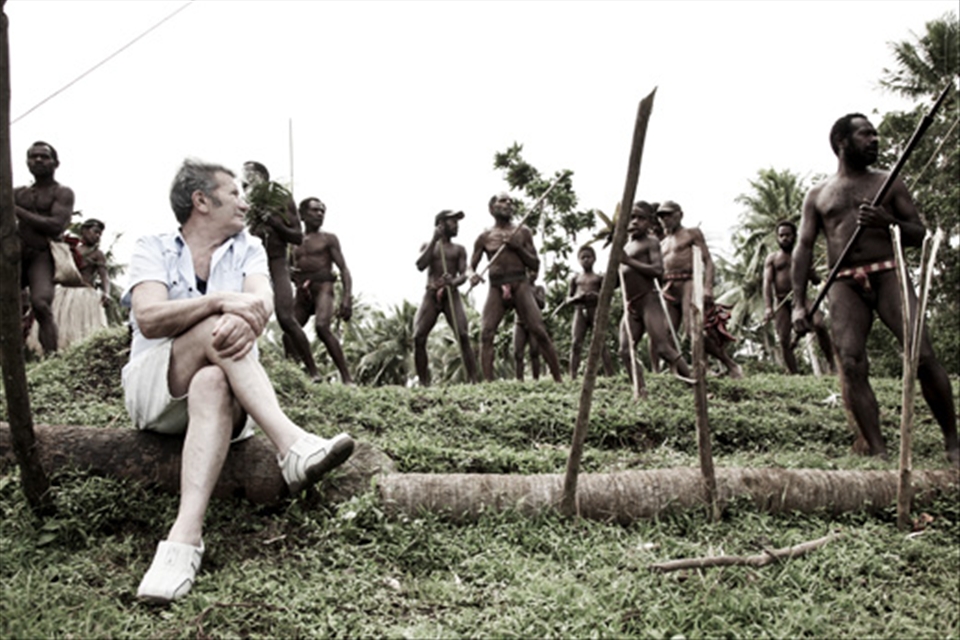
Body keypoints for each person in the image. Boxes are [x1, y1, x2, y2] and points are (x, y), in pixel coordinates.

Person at [122, 160, 354, 604]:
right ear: (202, 201)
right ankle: (291, 444)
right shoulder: (152, 247)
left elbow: (262, 302)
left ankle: (183, 539)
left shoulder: (248, 248)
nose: (246, 202)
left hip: (223, 403)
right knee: (219, 327)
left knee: (212, 380)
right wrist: (223, 302)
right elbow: (149, 319)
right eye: (234, 193)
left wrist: (245, 311)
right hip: (155, 392)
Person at [792, 113, 958, 464]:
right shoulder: (818, 195)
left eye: (875, 134)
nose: (875, 140)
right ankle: (879, 452)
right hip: (843, 282)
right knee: (851, 363)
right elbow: (803, 248)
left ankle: (953, 442)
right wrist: (798, 304)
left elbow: (919, 234)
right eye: (866, 134)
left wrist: (888, 222)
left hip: (887, 273)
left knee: (922, 354)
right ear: (842, 142)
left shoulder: (889, 183)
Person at [469, 192, 563, 382]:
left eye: (511, 202)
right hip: (496, 286)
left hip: (520, 284)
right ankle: (488, 383)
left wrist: (518, 248)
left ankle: (558, 379)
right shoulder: (484, 237)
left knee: (539, 331)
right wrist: (473, 275)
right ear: (492, 208)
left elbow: (535, 264)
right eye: (503, 201)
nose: (509, 204)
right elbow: (471, 266)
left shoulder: (523, 232)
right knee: (487, 333)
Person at [241, 161, 320, 381]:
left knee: (286, 317)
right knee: (243, 315)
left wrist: (275, 223)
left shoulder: (280, 198)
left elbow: (296, 236)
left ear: (262, 178)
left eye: (250, 177)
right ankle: (250, 371)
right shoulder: (242, 201)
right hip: (250, 264)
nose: (246, 182)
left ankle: (313, 371)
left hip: (277, 261)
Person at [657, 200, 742, 379]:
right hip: (669, 287)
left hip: (689, 282)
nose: (665, 219)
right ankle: (680, 371)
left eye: (669, 215)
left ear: (679, 214)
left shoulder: (691, 233)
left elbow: (708, 261)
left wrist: (707, 287)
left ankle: (729, 364)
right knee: (665, 334)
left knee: (692, 330)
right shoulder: (663, 244)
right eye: (662, 216)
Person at [14, 141, 75, 354]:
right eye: (33, 156)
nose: (38, 160)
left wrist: (15, 211)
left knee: (41, 304)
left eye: (44, 157)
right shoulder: (18, 193)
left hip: (42, 255)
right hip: (16, 254)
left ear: (55, 163)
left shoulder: (62, 193)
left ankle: (52, 356)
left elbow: (55, 225)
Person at [619, 203, 692, 380]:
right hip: (631, 305)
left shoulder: (650, 242)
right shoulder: (624, 246)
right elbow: (618, 278)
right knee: (625, 351)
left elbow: (658, 270)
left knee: (662, 347)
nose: (635, 222)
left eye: (641, 218)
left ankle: (693, 380)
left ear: (650, 223)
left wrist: (628, 261)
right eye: (632, 217)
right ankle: (639, 388)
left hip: (649, 301)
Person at [290, 197, 354, 384]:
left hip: (323, 287)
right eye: (314, 210)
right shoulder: (294, 242)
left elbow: (344, 269)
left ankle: (347, 378)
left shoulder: (328, 239)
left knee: (322, 327)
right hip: (303, 292)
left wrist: (347, 298)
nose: (319, 214)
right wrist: (292, 275)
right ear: (302, 215)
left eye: (322, 211)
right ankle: (309, 373)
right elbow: (286, 270)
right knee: (289, 331)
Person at [413, 210, 479, 386]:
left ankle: (474, 380)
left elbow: (463, 274)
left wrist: (452, 282)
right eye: (452, 222)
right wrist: (434, 239)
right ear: (440, 225)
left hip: (451, 295)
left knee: (463, 335)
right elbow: (420, 265)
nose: (457, 226)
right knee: (418, 337)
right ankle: (424, 383)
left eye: (457, 222)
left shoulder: (459, 249)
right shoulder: (428, 245)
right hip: (431, 294)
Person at [762, 220, 835, 375]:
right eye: (781, 235)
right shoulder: (772, 258)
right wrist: (768, 307)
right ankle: (794, 373)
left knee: (820, 324)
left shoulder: (802, 255)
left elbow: (813, 278)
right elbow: (767, 283)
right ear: (777, 238)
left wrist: (816, 274)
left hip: (801, 298)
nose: (784, 238)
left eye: (788, 235)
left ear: (794, 236)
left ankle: (832, 364)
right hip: (781, 301)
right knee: (783, 340)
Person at [565, 245, 614, 378]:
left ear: (594, 259)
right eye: (583, 257)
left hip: (595, 311)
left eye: (589, 257)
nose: (586, 260)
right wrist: (577, 298)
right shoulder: (575, 279)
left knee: (601, 342)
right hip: (580, 311)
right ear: (578, 260)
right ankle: (572, 375)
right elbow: (568, 299)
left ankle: (610, 375)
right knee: (576, 343)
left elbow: (607, 296)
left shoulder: (599, 278)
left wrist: (596, 296)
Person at [512, 270, 546, 381]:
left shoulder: (539, 289)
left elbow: (542, 304)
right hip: (520, 323)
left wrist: (530, 294)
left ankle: (536, 378)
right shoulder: (517, 288)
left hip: (534, 323)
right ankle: (519, 379)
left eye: (535, 272)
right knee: (518, 352)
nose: (532, 274)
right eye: (530, 272)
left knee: (534, 351)